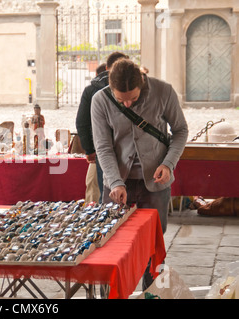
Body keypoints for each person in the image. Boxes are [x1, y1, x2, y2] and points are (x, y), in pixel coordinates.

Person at [91, 59, 188, 289]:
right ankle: (112, 293)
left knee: (153, 249)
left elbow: (181, 131)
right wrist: (115, 182)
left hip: (155, 184)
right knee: (111, 243)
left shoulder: (163, 92)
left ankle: (154, 292)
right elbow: (103, 147)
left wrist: (168, 164)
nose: (126, 104)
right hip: (117, 184)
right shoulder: (100, 101)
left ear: (142, 83)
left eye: (133, 99)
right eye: (120, 99)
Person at [76, 52, 129, 203]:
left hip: (102, 149)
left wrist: (90, 149)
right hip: (128, 148)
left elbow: (82, 122)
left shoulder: (91, 89)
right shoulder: (132, 87)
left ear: (106, 67)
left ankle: (107, 220)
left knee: (107, 189)